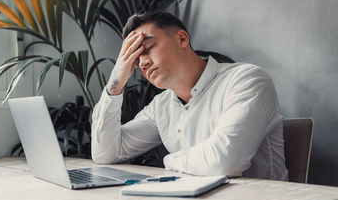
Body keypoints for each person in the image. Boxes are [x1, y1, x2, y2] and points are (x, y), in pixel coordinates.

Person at [91, 11, 288, 180]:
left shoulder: (246, 80)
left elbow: (224, 163)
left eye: (148, 48)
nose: (142, 63)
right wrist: (115, 84)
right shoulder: (161, 105)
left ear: (182, 38)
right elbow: (105, 154)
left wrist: (171, 159)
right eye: (135, 59)